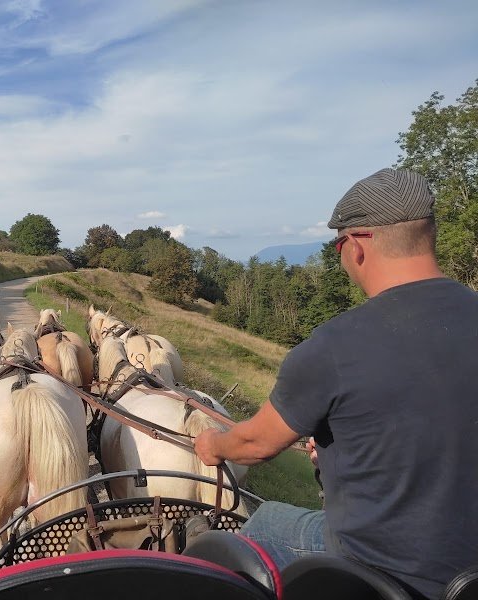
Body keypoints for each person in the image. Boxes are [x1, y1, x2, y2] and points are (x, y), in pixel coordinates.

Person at [194, 168, 478, 599]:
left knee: (263, 523)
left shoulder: (334, 346)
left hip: (388, 573)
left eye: (338, 245)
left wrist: (213, 444)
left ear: (358, 246)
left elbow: (255, 445)